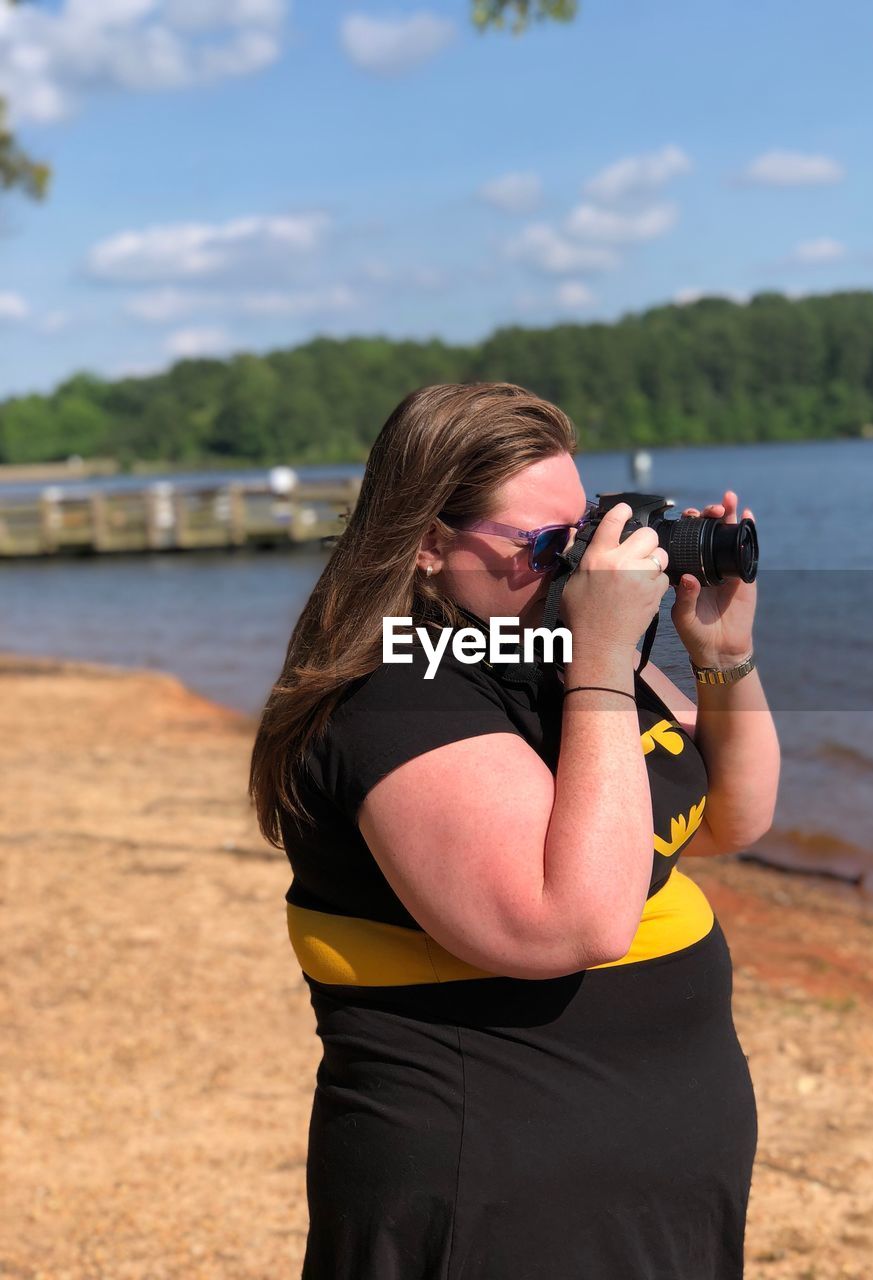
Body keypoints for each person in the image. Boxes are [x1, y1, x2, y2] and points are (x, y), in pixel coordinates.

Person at [248, 381, 780, 1279]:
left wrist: (722, 656)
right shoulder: (393, 694)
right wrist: (606, 664)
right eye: (545, 546)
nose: (578, 566)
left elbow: (730, 816)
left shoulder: (549, 648)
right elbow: (574, 921)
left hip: (660, 1195)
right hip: (496, 1202)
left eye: (583, 530)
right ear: (422, 544)